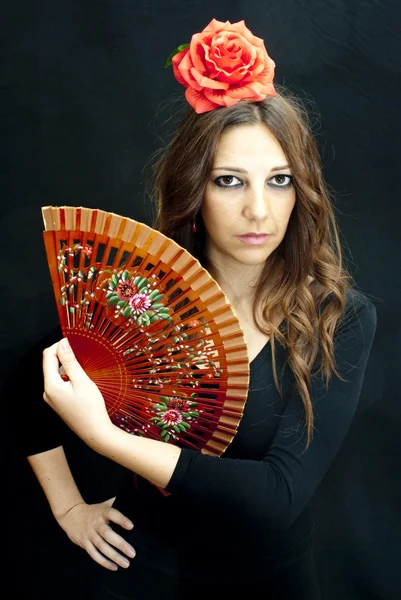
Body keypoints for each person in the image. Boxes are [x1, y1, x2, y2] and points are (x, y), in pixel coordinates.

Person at [16, 18, 377, 600]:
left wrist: (106, 438)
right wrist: (70, 509)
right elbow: (25, 382)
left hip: (272, 585)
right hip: (143, 575)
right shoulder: (137, 297)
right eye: (230, 181)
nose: (259, 210)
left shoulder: (340, 315)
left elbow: (278, 497)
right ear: (195, 189)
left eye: (279, 180)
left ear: (301, 190)